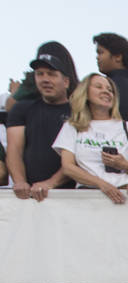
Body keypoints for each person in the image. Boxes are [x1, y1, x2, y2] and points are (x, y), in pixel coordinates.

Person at [53, 73, 128, 204]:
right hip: (88, 198)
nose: (106, 92)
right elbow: (68, 167)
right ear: (86, 93)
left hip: (125, 198)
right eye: (99, 87)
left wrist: (124, 165)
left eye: (110, 90)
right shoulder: (73, 126)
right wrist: (103, 185)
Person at [6, 47, 74, 201]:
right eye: (40, 74)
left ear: (66, 81)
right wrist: (20, 181)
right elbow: (14, 149)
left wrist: (50, 183)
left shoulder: (79, 111)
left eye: (51, 74)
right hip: (29, 196)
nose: (45, 79)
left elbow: (78, 154)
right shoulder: (22, 108)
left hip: (73, 197)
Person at [93, 32, 128, 122]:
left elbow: (117, 117)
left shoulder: (121, 84)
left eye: (101, 53)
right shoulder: (127, 82)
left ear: (118, 57)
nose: (97, 57)